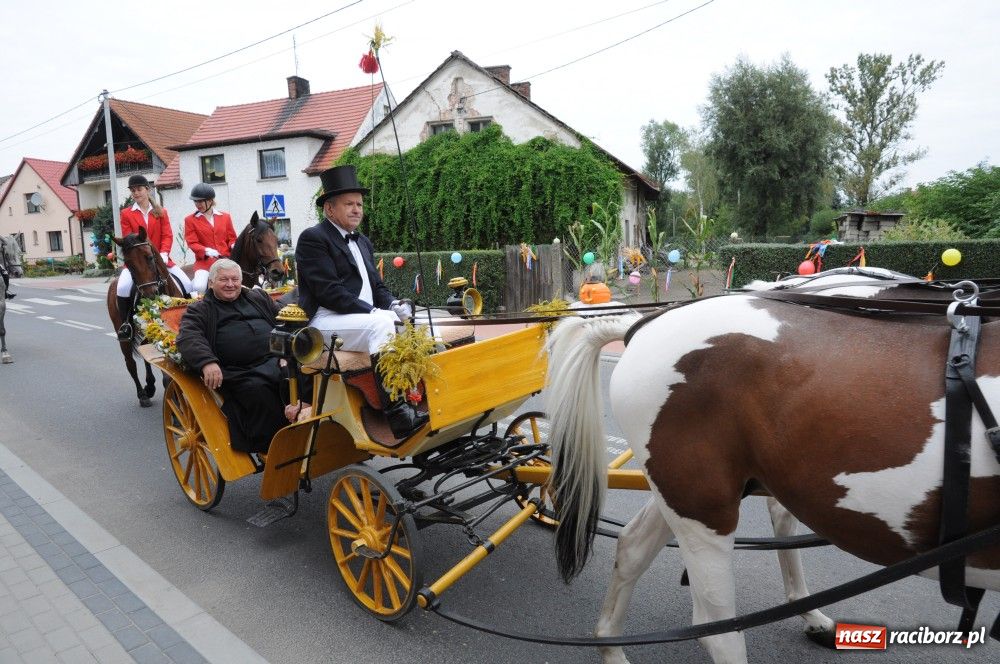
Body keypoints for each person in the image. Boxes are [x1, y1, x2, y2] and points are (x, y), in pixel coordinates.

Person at [295, 164, 426, 440]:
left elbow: (376, 286)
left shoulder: (363, 241)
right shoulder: (313, 239)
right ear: (329, 209)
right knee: (381, 323)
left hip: (361, 317)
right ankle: (396, 413)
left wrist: (393, 305)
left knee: (415, 322)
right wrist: (376, 312)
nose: (357, 209)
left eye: (359, 204)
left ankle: (416, 396)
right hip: (326, 320)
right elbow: (331, 293)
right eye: (349, 204)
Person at [176, 259, 297, 454]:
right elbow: (189, 337)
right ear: (211, 283)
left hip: (275, 360)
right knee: (259, 391)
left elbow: (283, 322)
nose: (231, 284)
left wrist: (287, 353)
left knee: (307, 374)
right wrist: (207, 362)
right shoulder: (200, 310)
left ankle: (307, 429)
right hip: (239, 371)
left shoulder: (258, 297)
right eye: (224, 279)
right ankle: (272, 447)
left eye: (235, 279)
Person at [115, 175, 193, 339]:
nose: (136, 193)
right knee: (122, 287)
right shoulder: (127, 213)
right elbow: (129, 239)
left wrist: (163, 253)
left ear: (147, 190)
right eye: (133, 190)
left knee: (187, 283)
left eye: (139, 189)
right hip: (138, 262)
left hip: (162, 259)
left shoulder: (161, 212)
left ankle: (191, 320)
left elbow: (167, 235)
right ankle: (126, 324)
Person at [184, 183, 237, 296]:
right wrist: (206, 251)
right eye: (195, 201)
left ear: (210, 201)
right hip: (204, 263)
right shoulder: (190, 220)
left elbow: (232, 238)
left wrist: (233, 245)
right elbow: (192, 242)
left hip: (226, 260)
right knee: (199, 286)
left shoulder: (225, 217)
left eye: (200, 201)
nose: (197, 204)